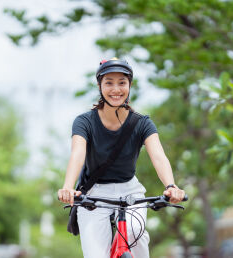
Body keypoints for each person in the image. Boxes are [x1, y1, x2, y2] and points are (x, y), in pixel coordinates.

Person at [58, 58, 185, 258]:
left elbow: (158, 156)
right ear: (99, 86)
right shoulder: (84, 122)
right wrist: (68, 186)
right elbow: (78, 153)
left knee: (137, 234)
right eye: (109, 82)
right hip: (93, 195)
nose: (115, 89)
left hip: (130, 191)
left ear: (130, 85)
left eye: (122, 82)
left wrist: (171, 186)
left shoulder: (142, 123)